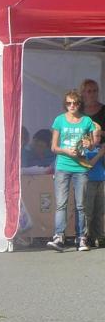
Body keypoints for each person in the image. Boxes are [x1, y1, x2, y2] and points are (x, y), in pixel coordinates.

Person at [47, 89, 97, 252]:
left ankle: (81, 238)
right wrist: (67, 151)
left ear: (79, 104)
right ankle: (59, 237)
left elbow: (91, 143)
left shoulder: (87, 121)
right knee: (61, 204)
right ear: (65, 104)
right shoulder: (59, 120)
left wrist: (88, 144)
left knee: (81, 205)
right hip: (62, 166)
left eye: (75, 103)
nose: (72, 106)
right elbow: (54, 147)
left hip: (80, 167)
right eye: (68, 103)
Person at [84, 122, 105, 247]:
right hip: (89, 182)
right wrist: (100, 154)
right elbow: (88, 165)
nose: (98, 138)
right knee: (88, 211)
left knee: (100, 211)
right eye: (96, 136)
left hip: (101, 181)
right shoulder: (83, 150)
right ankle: (86, 236)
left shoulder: (99, 149)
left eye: (99, 136)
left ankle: (99, 237)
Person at [80, 79, 105, 143]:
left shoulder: (103, 109)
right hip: (82, 149)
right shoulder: (78, 110)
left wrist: (99, 132)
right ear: (83, 93)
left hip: (102, 149)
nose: (92, 94)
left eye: (95, 91)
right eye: (89, 91)